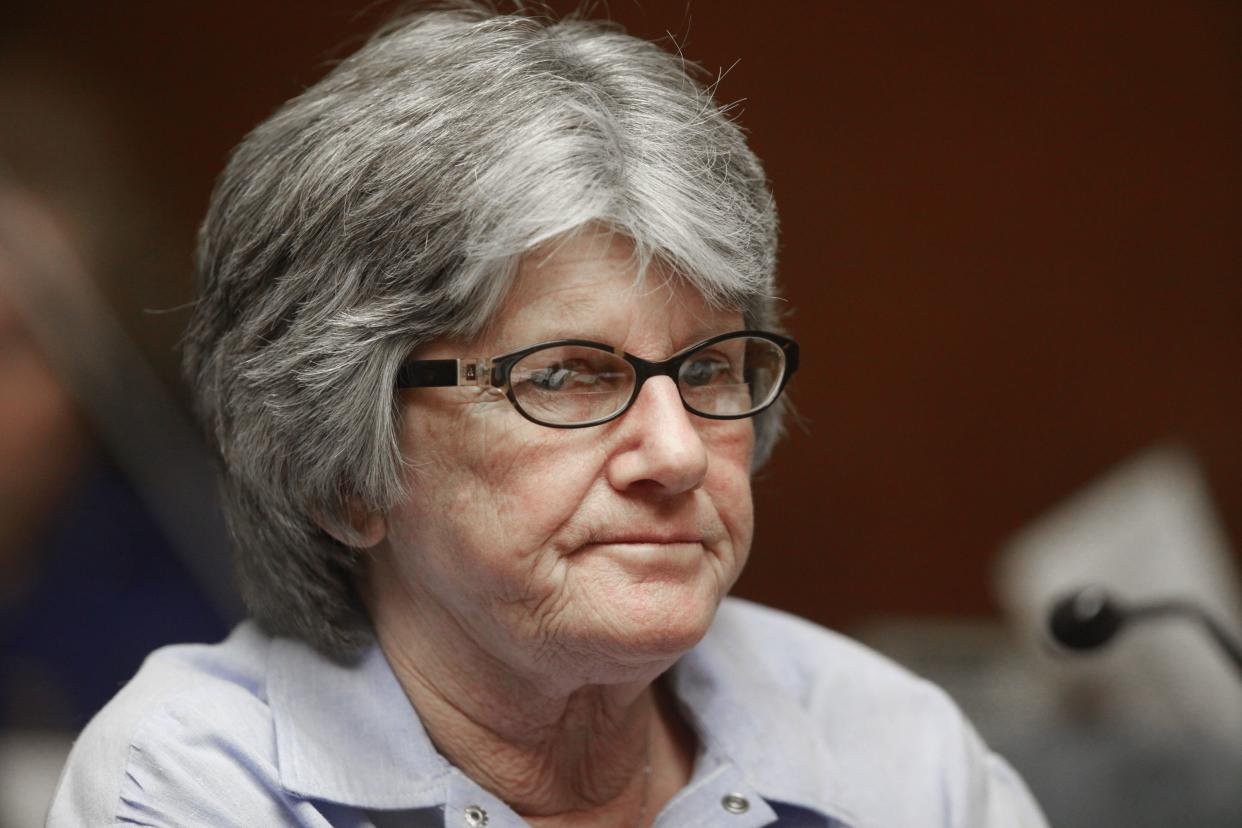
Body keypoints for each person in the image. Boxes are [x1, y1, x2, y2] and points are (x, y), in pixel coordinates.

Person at [48, 4, 1048, 826]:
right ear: (342, 474)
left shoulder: (893, 753)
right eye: (567, 377)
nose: (674, 452)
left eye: (707, 370)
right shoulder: (199, 785)